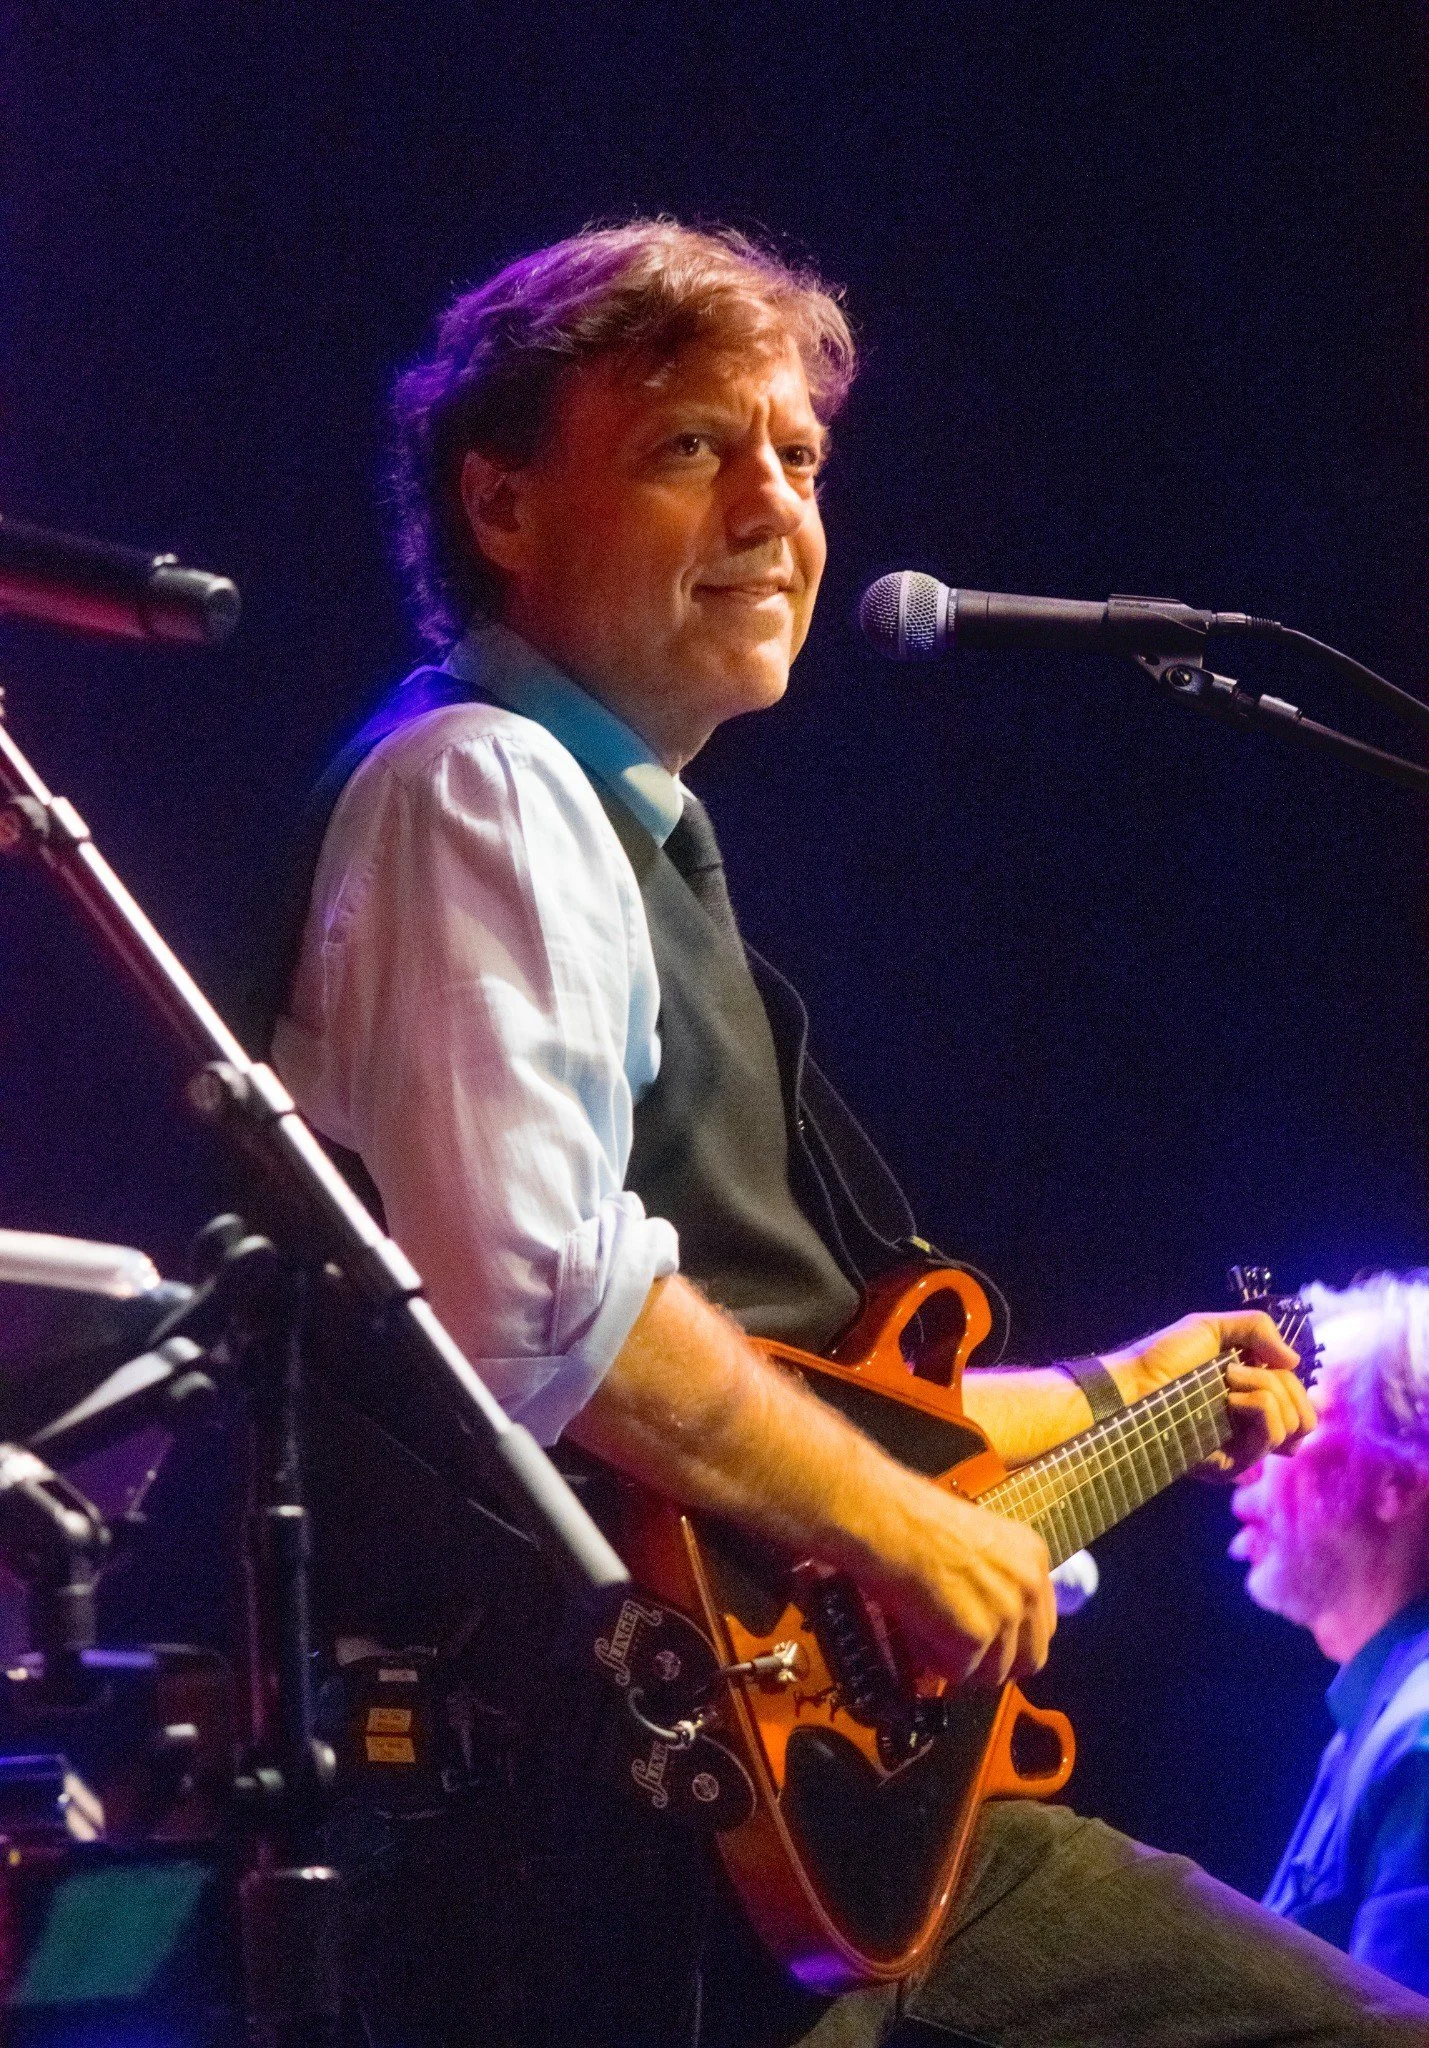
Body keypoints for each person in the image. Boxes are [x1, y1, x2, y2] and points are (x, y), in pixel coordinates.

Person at [270, 221, 1428, 2045]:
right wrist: (894, 1519)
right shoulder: (481, 781)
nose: (770, 506)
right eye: (685, 448)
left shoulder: (621, 830)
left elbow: (791, 1376)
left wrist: (1135, 1387)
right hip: (618, 1837)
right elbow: (536, 1303)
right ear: (500, 505)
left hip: (807, 1822)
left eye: (796, 457)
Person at [1231, 1272, 1429, 1996]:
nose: (1244, 1466)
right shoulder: (1374, 1718)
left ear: (1399, 1483)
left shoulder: (1419, 1740)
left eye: (1291, 1428)